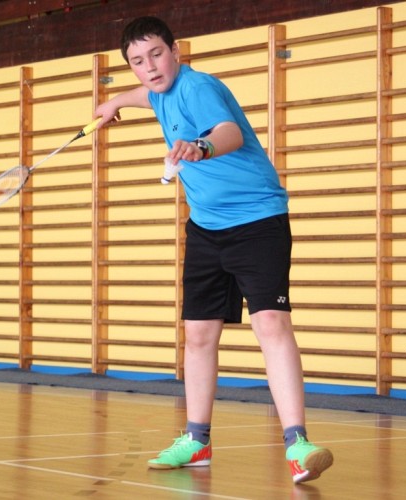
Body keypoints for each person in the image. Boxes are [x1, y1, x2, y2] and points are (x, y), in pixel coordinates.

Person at [93, 16, 333, 485]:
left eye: (157, 54)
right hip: (206, 227)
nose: (150, 67)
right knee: (199, 334)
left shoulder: (198, 87)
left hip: (256, 221)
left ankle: (298, 444)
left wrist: (200, 148)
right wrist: (115, 102)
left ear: (176, 51)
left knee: (271, 324)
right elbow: (146, 94)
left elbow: (229, 132)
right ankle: (197, 440)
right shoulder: (159, 92)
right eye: (137, 61)